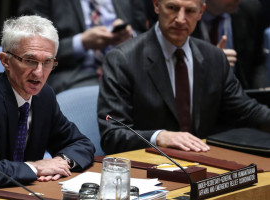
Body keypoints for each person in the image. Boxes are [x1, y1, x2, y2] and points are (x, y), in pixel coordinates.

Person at [0, 15, 95, 199]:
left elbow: (81, 144)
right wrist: (37, 167)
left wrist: (62, 160)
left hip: (22, 193)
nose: (39, 72)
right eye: (30, 61)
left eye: (47, 62)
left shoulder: (44, 96)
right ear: (5, 61)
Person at [97, 0, 270, 154]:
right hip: (148, 167)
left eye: (189, 11)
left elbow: (247, 111)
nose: (180, 19)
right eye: (172, 8)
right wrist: (159, 137)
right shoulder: (123, 59)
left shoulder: (214, 58)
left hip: (204, 161)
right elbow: (112, 134)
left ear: (201, 12)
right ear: (156, 5)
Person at [18, 0, 147, 94]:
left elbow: (149, 36)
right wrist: (82, 43)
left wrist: (131, 37)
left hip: (125, 72)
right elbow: (29, 47)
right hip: (74, 74)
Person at [191, 0, 267, 89]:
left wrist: (261, 89)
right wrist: (211, 62)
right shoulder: (183, 17)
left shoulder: (250, 9)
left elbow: (258, 61)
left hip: (242, 93)